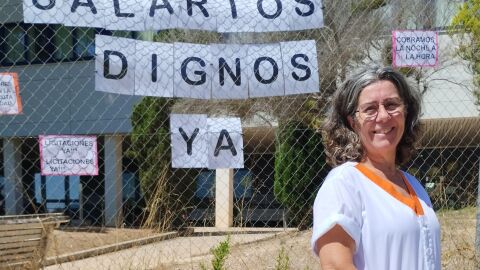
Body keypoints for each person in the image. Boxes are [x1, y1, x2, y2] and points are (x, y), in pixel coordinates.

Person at [311, 66, 440, 270]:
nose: (383, 116)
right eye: (370, 109)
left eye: (392, 105)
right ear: (353, 123)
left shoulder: (414, 185)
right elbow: (335, 265)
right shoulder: (344, 183)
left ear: (406, 113)